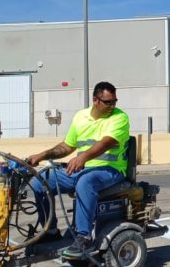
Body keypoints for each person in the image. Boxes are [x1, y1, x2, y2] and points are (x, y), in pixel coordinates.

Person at [26, 81, 130, 259]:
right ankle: (50, 231)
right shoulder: (80, 117)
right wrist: (41, 155)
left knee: (85, 182)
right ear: (95, 100)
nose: (113, 106)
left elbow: (106, 142)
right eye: (108, 102)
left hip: (111, 171)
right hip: (83, 169)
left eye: (114, 101)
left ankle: (84, 237)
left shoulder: (120, 117)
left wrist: (82, 157)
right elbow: (67, 146)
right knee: (39, 181)